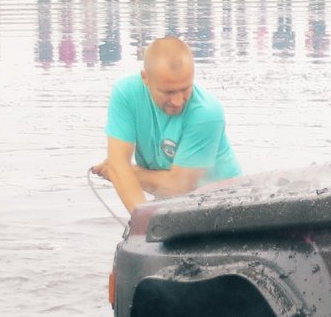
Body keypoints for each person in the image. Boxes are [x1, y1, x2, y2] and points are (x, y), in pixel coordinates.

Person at [94, 36, 240, 213]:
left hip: (224, 204)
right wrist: (144, 222)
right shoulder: (125, 94)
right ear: (145, 78)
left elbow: (178, 188)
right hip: (171, 202)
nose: (178, 101)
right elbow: (118, 162)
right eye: (168, 92)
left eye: (185, 89)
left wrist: (127, 173)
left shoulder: (207, 113)